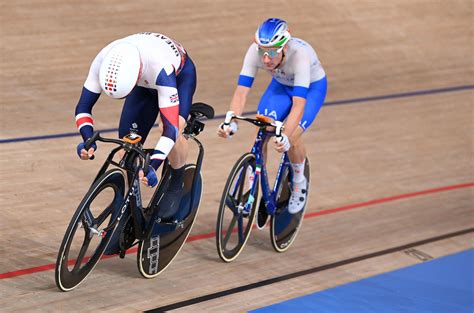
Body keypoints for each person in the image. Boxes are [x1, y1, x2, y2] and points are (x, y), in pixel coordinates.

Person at [74, 32, 197, 220]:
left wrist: (154, 164)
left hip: (179, 79)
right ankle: (129, 211)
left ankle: (176, 184)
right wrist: (87, 137)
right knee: (126, 148)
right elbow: (83, 107)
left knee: (170, 128)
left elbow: (171, 130)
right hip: (142, 84)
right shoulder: (103, 59)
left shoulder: (161, 69)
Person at [217, 18, 327, 214]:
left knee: (291, 137)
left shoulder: (299, 55)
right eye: (262, 51)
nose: (266, 59)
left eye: (273, 52)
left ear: (284, 47)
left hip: (310, 89)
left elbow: (299, 104)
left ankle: (299, 182)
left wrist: (286, 135)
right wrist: (231, 121)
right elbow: (242, 91)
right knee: (263, 128)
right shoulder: (254, 51)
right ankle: (252, 184)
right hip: (281, 86)